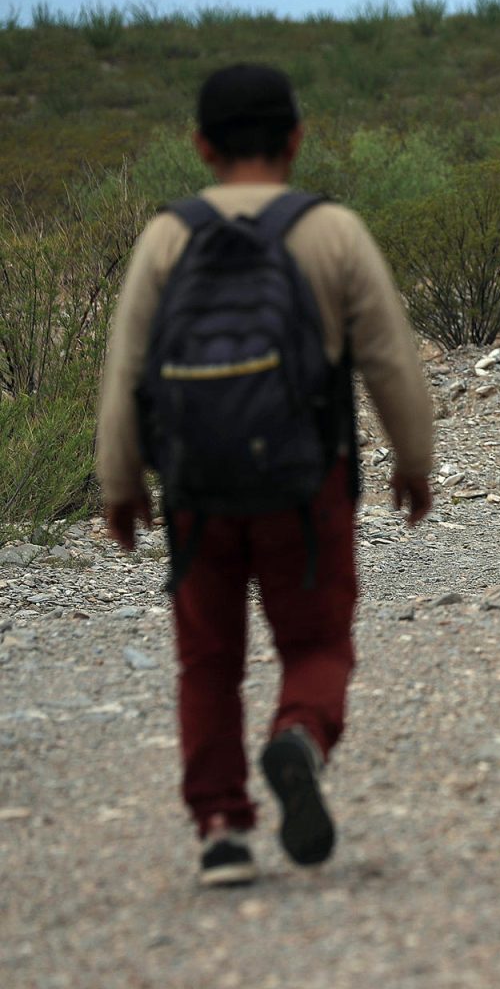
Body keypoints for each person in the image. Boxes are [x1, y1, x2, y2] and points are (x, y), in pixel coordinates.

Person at [95, 63, 435, 887]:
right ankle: (300, 737)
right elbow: (390, 362)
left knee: (206, 661)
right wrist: (414, 462)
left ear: (201, 144)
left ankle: (220, 829)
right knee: (316, 641)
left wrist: (120, 482)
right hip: (304, 485)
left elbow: (127, 369)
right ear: (296, 138)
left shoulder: (166, 236)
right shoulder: (333, 232)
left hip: (195, 491)